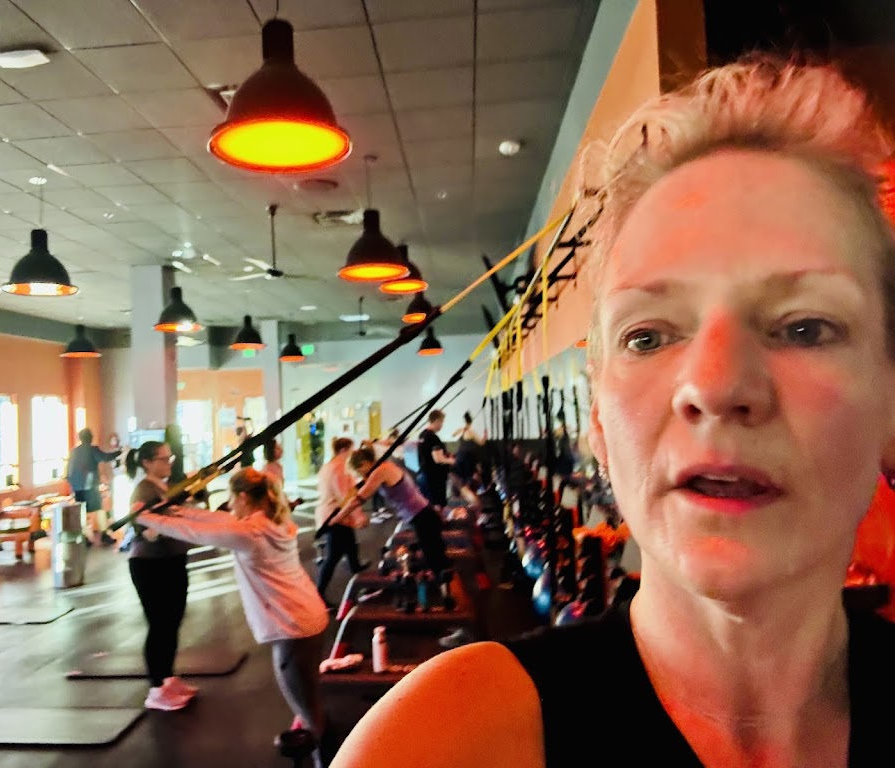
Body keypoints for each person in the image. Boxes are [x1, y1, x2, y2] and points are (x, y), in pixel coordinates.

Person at [333, 58, 895, 767]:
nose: (715, 384)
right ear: (598, 420)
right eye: (648, 336)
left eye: (805, 327)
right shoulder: (444, 743)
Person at [136, 467, 336, 767]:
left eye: (231, 498)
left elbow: (196, 532)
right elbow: (214, 519)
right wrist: (173, 509)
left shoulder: (249, 533)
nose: (229, 504)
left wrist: (144, 517)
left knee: (310, 713)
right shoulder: (270, 521)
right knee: (309, 704)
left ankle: (331, 761)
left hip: (293, 627)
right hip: (308, 617)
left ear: (243, 497)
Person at [123, 441, 195, 712]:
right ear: (147, 463)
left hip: (172, 560)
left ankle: (167, 678)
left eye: (169, 458)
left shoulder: (164, 487)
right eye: (163, 459)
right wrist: (171, 524)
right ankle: (156, 688)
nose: (168, 463)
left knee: (172, 620)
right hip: (150, 565)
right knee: (160, 624)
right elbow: (144, 529)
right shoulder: (144, 489)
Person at [339, 446, 450, 578]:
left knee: (436, 561)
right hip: (421, 514)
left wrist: (338, 517)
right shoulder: (384, 467)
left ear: (364, 463)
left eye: (359, 472)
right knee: (435, 557)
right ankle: (443, 582)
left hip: (422, 516)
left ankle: (444, 586)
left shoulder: (381, 471)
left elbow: (358, 499)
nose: (361, 476)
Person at [315, 438, 367, 602]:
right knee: (333, 556)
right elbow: (345, 496)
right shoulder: (339, 468)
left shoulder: (328, 466)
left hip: (331, 513)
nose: (353, 453)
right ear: (344, 450)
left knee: (350, 545)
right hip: (336, 515)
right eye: (351, 449)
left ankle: (357, 569)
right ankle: (319, 593)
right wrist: (358, 516)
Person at [66, 428, 120, 545]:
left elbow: (68, 471)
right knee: (99, 510)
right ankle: (104, 535)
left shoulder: (74, 451)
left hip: (77, 487)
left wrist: (73, 485)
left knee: (82, 513)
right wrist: (119, 452)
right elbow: (105, 457)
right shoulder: (92, 450)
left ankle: (83, 536)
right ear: (90, 438)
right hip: (90, 486)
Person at [416, 409, 455, 509]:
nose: (442, 425)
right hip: (434, 478)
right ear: (437, 421)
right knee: (437, 505)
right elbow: (438, 459)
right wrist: (452, 461)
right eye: (442, 422)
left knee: (427, 504)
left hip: (423, 475)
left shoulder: (422, 435)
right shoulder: (433, 437)